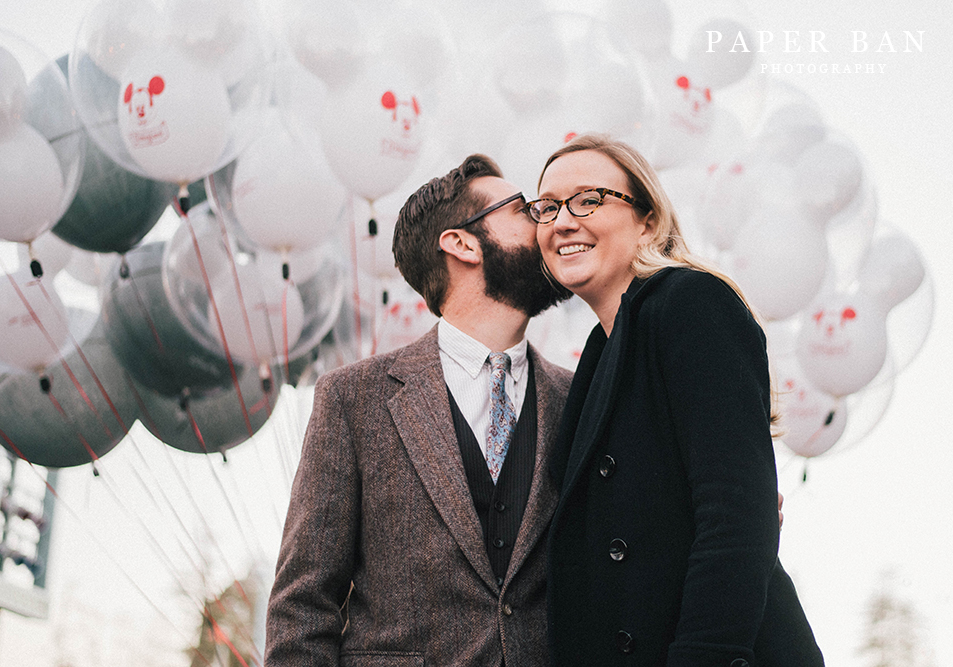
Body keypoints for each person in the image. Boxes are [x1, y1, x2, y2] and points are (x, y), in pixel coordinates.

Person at [264, 154, 572, 666]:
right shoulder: (353, 400)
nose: (550, 222)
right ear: (462, 243)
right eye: (523, 210)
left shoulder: (577, 398)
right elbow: (303, 608)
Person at [530, 133, 824, 666]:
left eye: (588, 199)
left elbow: (736, 513)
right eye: (546, 208)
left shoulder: (691, 303)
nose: (562, 222)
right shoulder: (601, 353)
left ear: (647, 219)